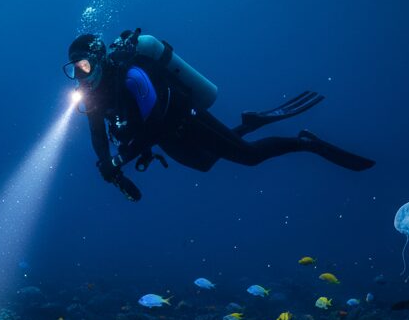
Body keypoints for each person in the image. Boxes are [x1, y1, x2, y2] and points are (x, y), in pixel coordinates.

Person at [66, 30, 375, 201]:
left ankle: (305, 141)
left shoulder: (133, 75)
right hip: (163, 137)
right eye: (75, 69)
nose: (81, 75)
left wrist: (121, 159)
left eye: (84, 66)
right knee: (203, 164)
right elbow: (97, 133)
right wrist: (108, 164)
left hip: (185, 120)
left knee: (250, 157)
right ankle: (249, 123)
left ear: (98, 59)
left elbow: (158, 120)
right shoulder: (94, 96)